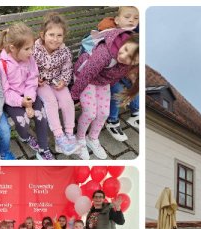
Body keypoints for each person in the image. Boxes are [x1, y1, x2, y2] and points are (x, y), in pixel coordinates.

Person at [70, 27, 139, 159]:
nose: (123, 56)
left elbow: (116, 77)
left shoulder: (130, 64)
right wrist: (74, 96)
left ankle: (92, 138)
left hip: (102, 81)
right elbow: (86, 74)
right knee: (90, 112)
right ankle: (80, 139)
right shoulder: (104, 54)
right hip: (85, 77)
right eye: (124, 50)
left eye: (130, 58)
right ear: (124, 44)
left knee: (103, 113)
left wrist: (104, 90)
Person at [0, 22, 54, 160]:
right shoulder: (2, 65)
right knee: (23, 121)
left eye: (32, 47)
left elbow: (32, 79)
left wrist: (29, 99)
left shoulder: (29, 59)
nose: (31, 52)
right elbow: (4, 91)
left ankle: (44, 148)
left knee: (41, 116)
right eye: (27, 48)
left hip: (29, 94)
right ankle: (24, 137)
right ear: (12, 48)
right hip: (12, 99)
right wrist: (21, 102)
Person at [33, 13, 80, 155]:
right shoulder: (34, 50)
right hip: (41, 84)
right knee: (51, 101)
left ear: (64, 36)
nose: (55, 39)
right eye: (51, 35)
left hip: (57, 81)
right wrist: (35, 79)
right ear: (43, 35)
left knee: (67, 101)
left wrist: (64, 81)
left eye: (59, 35)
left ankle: (69, 134)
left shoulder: (64, 51)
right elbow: (27, 67)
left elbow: (67, 68)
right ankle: (59, 136)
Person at [101, 6, 141, 141]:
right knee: (118, 89)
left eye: (136, 18)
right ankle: (112, 120)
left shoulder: (135, 32)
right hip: (107, 72)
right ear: (117, 20)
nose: (131, 21)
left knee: (134, 84)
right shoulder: (110, 30)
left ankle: (136, 112)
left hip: (125, 68)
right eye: (127, 17)